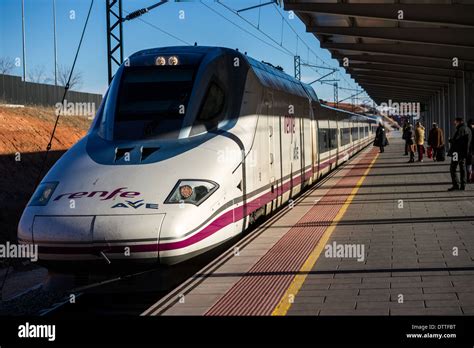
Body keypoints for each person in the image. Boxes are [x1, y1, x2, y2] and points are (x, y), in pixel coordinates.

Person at [448, 117, 472, 191]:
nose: (454, 123)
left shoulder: (460, 129)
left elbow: (457, 141)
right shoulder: (468, 129)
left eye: (455, 122)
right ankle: (463, 185)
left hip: (456, 152)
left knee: (453, 168)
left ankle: (456, 185)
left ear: (459, 122)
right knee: (462, 168)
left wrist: (450, 140)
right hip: (464, 152)